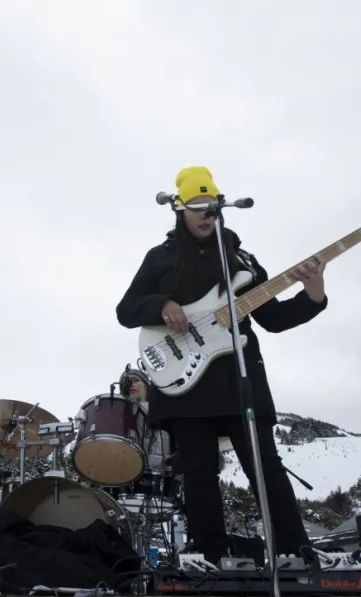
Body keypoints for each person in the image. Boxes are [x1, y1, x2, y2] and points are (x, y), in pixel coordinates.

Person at [115, 166, 327, 567]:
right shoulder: (161, 258)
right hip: (185, 382)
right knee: (198, 472)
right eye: (196, 207)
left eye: (211, 206)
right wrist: (162, 304)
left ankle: (294, 551)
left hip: (238, 380)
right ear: (179, 210)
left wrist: (313, 291)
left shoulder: (241, 260)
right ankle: (209, 557)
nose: (205, 214)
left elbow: (274, 319)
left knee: (265, 466)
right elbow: (126, 310)